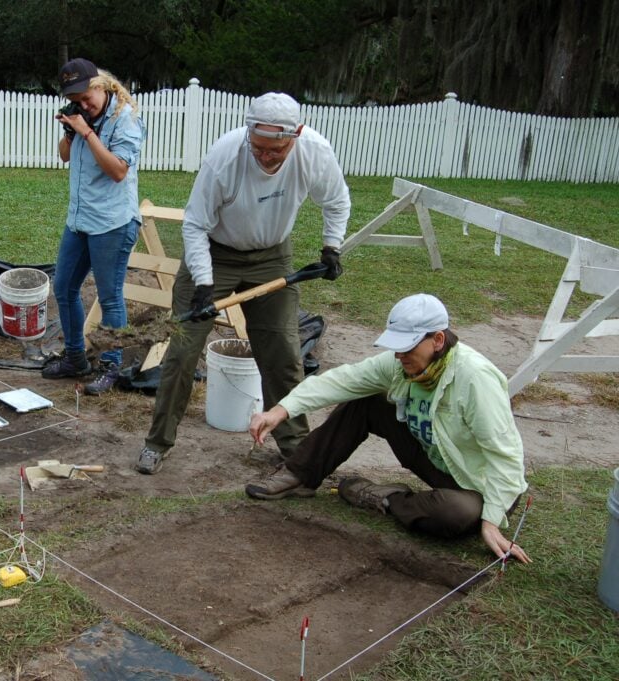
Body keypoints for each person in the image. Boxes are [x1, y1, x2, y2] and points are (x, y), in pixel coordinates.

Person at [135, 92, 350, 474]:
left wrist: (332, 246)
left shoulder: (314, 152)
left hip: (272, 255)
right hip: (214, 251)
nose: (265, 156)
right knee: (182, 354)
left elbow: (336, 200)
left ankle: (295, 448)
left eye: (275, 150)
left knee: (284, 354)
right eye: (259, 147)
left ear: (296, 135)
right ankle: (157, 442)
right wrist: (203, 283)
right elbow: (196, 223)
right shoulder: (225, 157)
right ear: (248, 134)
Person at [244, 294, 531, 564]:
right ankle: (300, 474)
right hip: (436, 460)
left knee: (455, 513)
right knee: (367, 401)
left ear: (438, 340)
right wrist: (281, 410)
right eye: (397, 347)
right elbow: (343, 380)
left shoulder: (474, 379)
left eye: (408, 347)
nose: (399, 356)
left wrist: (491, 521)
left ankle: (385, 498)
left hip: (481, 484)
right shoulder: (400, 365)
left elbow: (505, 457)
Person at [41, 57, 146, 395]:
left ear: (101, 85)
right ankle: (75, 358)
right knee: (64, 287)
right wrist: (71, 132)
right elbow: (64, 156)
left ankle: (111, 366)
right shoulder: (82, 116)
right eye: (77, 101)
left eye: (88, 97)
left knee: (110, 297)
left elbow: (118, 171)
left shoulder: (125, 119)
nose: (84, 105)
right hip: (80, 219)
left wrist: (87, 132)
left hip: (113, 222)